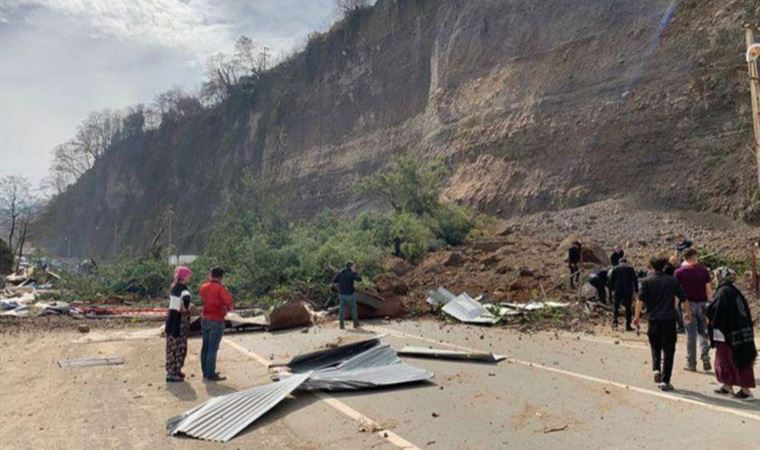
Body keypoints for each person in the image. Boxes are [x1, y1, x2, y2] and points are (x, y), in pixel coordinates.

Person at [634, 256, 689, 391]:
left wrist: (636, 317)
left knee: (655, 346)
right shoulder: (672, 281)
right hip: (669, 320)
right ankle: (665, 380)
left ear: (652, 267)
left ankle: (656, 369)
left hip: (653, 320)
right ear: (665, 266)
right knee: (669, 350)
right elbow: (684, 299)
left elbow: (639, 300)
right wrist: (688, 313)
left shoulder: (646, 282)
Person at [706, 267, 757, 400]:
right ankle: (727, 385)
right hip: (739, 331)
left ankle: (746, 391)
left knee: (734, 360)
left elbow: (717, 311)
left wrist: (708, 313)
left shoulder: (723, 292)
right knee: (726, 360)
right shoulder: (734, 291)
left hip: (728, 333)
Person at [674, 248, 712, 372]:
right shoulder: (703, 270)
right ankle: (705, 354)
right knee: (703, 332)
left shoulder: (679, 272)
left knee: (690, 335)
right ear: (694, 256)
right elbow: (709, 289)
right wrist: (710, 304)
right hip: (702, 304)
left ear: (684, 257)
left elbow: (676, 292)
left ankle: (691, 363)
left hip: (687, 305)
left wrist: (675, 306)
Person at [199, 267, 233, 381]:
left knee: (205, 346)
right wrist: (225, 309)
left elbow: (202, 299)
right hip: (217, 319)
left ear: (211, 275)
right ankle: (210, 373)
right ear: (221, 277)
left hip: (205, 318)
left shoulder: (204, 287)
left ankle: (205, 372)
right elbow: (229, 303)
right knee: (213, 348)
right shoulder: (221, 289)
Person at [165, 266, 192, 382]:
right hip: (179, 323)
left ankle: (173, 370)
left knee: (171, 348)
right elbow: (185, 303)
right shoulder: (184, 290)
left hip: (171, 321)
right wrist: (186, 308)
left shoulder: (174, 288)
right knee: (180, 348)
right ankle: (174, 372)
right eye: (189, 276)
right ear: (185, 277)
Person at [609, 258, 638, 331]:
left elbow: (611, 279)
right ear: (626, 262)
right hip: (628, 290)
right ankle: (628, 326)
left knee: (616, 307)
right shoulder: (630, 269)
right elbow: (635, 280)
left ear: (619, 262)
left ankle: (615, 323)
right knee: (628, 308)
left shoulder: (615, 268)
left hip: (618, 290)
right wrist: (636, 290)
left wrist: (612, 289)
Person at [333, 261, 362, 329]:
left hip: (341, 294)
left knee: (342, 309)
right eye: (353, 266)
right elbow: (359, 279)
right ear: (351, 266)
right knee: (353, 308)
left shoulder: (340, 272)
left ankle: (341, 325)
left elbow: (334, 281)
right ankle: (355, 324)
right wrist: (355, 272)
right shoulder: (352, 273)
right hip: (350, 294)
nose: (354, 267)